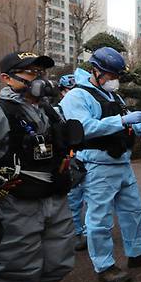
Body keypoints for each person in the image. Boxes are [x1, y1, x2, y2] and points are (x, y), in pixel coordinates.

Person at [0, 52, 82, 282]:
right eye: (29, 73)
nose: (38, 79)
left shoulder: (49, 110)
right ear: (7, 78)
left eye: (40, 72)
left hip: (54, 197)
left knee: (57, 261)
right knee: (17, 267)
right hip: (15, 202)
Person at [60, 47, 141, 282]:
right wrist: (122, 120)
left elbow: (121, 123)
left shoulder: (113, 96)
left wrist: (137, 128)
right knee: (99, 218)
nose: (114, 80)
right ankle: (104, 265)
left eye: (117, 75)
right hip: (98, 164)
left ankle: (137, 252)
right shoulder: (77, 96)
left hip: (122, 162)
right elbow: (83, 127)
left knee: (134, 210)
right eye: (110, 75)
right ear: (95, 71)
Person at [57, 74, 87, 252]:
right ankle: (76, 233)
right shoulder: (57, 111)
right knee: (73, 200)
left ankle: (88, 232)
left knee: (89, 199)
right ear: (62, 92)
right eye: (69, 89)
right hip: (69, 160)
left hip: (84, 157)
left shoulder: (81, 106)